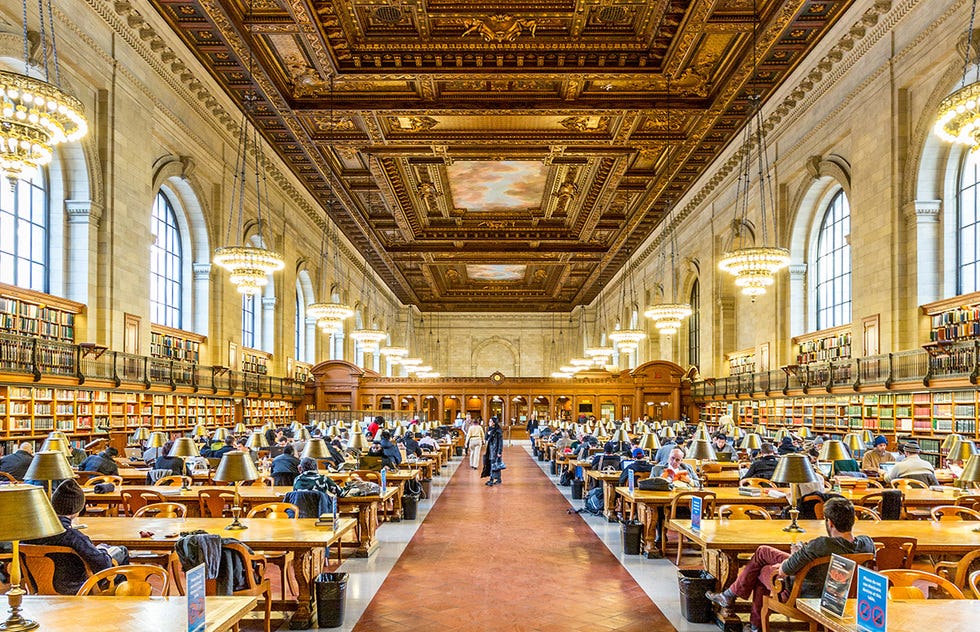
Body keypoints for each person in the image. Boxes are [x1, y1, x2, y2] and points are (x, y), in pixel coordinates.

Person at [705, 497, 875, 632]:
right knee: (763, 552)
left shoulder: (821, 545)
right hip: (843, 596)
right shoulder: (867, 543)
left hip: (803, 593)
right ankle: (740, 607)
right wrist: (801, 554)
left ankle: (742, 609)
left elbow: (785, 571)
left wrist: (796, 554)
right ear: (853, 519)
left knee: (762, 570)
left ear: (829, 522)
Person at [26, 479, 129, 595]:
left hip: (37, 587)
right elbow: (103, 565)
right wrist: (103, 551)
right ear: (77, 509)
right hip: (78, 588)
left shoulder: (32, 533)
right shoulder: (73, 537)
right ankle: (121, 598)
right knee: (122, 551)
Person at [481, 416, 504, 486]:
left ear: (494, 423)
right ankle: (498, 479)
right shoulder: (489, 429)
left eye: (490, 421)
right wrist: (487, 433)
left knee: (495, 464)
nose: (489, 423)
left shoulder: (498, 431)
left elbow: (500, 442)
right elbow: (486, 438)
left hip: (495, 450)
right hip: (490, 449)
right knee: (494, 464)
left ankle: (492, 479)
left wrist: (499, 452)